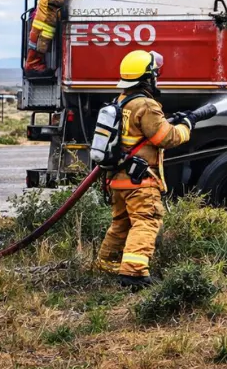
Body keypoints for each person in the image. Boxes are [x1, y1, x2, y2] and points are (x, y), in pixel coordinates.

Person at [95, 50, 197, 289]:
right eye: (155, 74)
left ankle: (107, 264)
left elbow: (141, 132)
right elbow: (166, 138)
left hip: (118, 180)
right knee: (146, 221)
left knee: (121, 223)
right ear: (147, 77)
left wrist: (173, 119)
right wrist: (186, 126)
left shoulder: (122, 101)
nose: (157, 78)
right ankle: (134, 274)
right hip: (140, 182)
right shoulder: (147, 105)